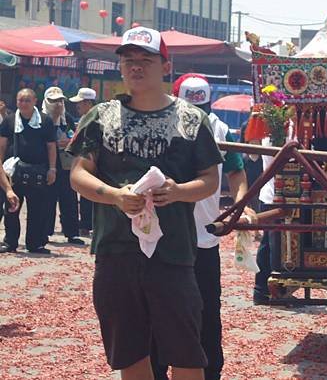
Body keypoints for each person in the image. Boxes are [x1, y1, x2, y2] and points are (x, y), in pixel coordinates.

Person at [68, 26, 223, 380]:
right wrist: (115, 196)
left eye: (145, 60)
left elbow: (210, 179)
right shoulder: (101, 117)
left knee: (186, 351)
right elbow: (79, 173)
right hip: (116, 251)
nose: (136, 67)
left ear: (165, 66)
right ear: (120, 67)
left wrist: (179, 191)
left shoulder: (190, 119)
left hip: (174, 254)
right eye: (129, 60)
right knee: (129, 352)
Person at [150, 73, 256, 380]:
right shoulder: (162, 127)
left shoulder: (220, 130)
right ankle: (157, 369)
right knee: (158, 307)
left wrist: (239, 206)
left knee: (206, 310)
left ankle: (210, 372)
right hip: (163, 237)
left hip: (203, 237)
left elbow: (236, 173)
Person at [0, 88, 57, 254]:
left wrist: (52, 169)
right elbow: (2, 145)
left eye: (27, 100)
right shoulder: (9, 121)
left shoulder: (45, 121)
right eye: (20, 100)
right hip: (14, 172)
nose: (23, 103)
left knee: (37, 209)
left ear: (35, 102)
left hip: (38, 170)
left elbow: (51, 147)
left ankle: (35, 243)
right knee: (11, 208)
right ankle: (10, 242)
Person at [42, 86, 85, 245]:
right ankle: (44, 231)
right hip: (47, 164)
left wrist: (69, 141)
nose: (58, 104)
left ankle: (72, 232)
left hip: (66, 165)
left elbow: (76, 135)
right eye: (53, 101)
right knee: (47, 199)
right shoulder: (40, 119)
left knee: (69, 198)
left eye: (60, 100)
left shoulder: (67, 118)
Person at [69, 87, 97, 237]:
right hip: (83, 161)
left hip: (91, 162)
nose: (77, 106)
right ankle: (86, 223)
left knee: (90, 195)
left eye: (80, 103)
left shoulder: (94, 120)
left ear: (88, 103)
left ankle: (89, 224)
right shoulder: (84, 119)